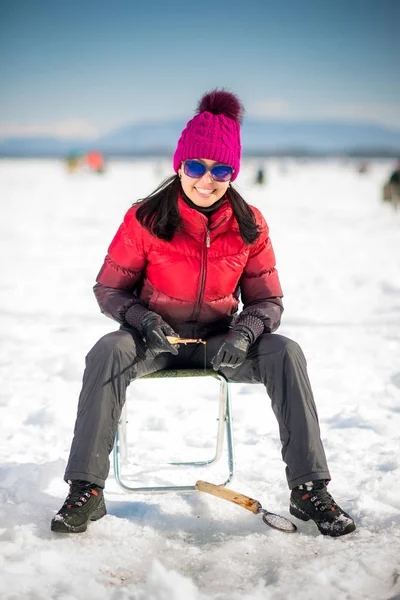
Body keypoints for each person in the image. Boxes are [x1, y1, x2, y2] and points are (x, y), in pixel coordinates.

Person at [51, 90, 356, 537]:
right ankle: (87, 490)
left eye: (220, 169)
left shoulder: (249, 223)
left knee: (285, 352)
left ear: (233, 173)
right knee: (107, 350)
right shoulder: (146, 219)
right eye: (196, 166)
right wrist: (145, 321)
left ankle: (309, 489)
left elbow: (267, 300)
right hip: (151, 342)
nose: (206, 179)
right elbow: (109, 288)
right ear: (180, 166)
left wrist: (246, 334)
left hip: (220, 343)